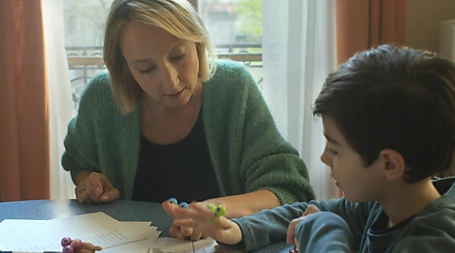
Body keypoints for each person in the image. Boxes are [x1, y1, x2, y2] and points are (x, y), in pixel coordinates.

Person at [172, 45, 455, 253]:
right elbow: (315, 210)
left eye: (334, 149)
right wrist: (240, 230)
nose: (323, 158)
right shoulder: (391, 201)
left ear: (389, 164)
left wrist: (323, 227)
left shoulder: (443, 244)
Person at [61, 0, 315, 240]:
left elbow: (288, 191)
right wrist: (90, 183)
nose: (171, 81)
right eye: (147, 69)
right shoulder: (101, 98)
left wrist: (215, 211)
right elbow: (80, 161)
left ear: (198, 42)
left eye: (178, 55)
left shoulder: (235, 89)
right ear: (124, 67)